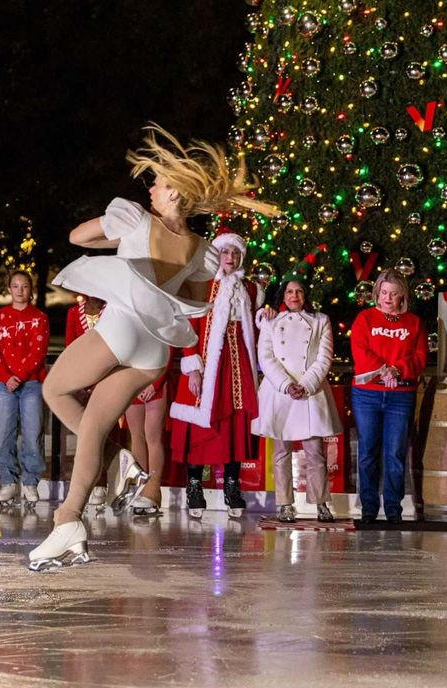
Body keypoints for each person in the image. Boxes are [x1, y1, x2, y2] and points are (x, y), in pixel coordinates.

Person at [29, 125, 276, 571]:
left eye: (159, 184)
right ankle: (74, 516)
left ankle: (102, 486)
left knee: (56, 391)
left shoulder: (132, 219)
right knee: (97, 425)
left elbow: (77, 237)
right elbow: (199, 304)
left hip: (122, 327)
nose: (152, 188)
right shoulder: (202, 250)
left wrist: (124, 241)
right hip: (155, 352)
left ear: (172, 194)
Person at [169, 231, 263, 519]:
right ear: (217, 256)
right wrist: (192, 366)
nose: (231, 259)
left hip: (238, 361)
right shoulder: (202, 285)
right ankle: (194, 484)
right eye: (226, 253)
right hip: (208, 362)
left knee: (237, 420)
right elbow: (187, 328)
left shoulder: (249, 289)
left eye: (235, 254)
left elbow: (255, 329)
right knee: (201, 424)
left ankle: (232, 486)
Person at [252, 278, 343, 523]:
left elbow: (324, 357)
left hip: (310, 392)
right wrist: (285, 384)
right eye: (290, 291)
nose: (294, 296)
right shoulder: (271, 321)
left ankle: (321, 504)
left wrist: (305, 384)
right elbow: (266, 356)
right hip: (279, 391)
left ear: (306, 295)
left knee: (315, 452)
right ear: (283, 295)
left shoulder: (321, 320)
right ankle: (284, 504)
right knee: (281, 452)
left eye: (299, 291)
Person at [349, 270, 428, 524]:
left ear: (402, 296)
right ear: (377, 293)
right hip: (367, 395)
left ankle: (394, 508)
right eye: (383, 293)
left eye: (393, 294)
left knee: (395, 452)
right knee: (368, 451)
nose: (387, 298)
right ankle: (369, 508)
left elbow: (420, 357)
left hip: (400, 396)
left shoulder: (414, 323)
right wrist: (384, 371)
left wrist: (398, 370)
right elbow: (360, 351)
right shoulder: (365, 319)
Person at [0, 270, 49, 506]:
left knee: (32, 434)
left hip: (31, 383)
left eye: (24, 286)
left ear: (30, 290)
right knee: (3, 434)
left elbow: (38, 352)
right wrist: (6, 376)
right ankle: (8, 481)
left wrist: (19, 376)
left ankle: (30, 481)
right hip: (4, 384)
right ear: (9, 289)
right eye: (15, 286)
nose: (20, 290)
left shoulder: (39, 318)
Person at [63, 295, 110, 510]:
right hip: (82, 380)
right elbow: (70, 346)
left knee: (104, 433)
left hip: (108, 379)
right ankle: (84, 485)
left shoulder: (112, 311)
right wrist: (79, 379)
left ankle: (103, 483)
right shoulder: (74, 313)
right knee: (84, 435)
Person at [125, 348, 172, 516]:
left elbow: (168, 350)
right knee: (137, 437)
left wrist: (156, 384)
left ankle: (152, 491)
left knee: (153, 437)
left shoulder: (159, 321)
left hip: (156, 381)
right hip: (133, 380)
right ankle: (140, 488)